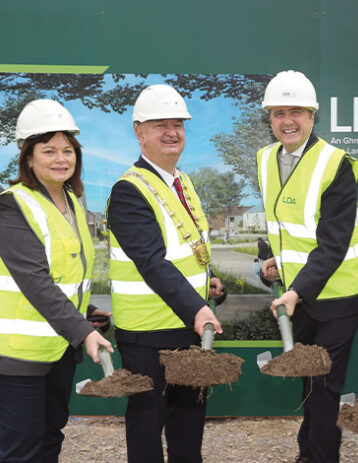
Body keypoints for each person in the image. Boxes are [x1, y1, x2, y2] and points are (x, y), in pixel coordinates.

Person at [0, 99, 114, 462]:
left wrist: (88, 313)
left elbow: (65, 276)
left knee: (50, 437)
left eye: (68, 150)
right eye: (49, 150)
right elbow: (34, 281)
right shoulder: (11, 206)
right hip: (14, 353)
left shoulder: (71, 202)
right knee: (21, 449)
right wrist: (83, 331)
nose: (60, 159)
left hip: (56, 348)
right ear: (28, 158)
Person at [256, 70, 358, 463]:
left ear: (311, 116)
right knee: (310, 380)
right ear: (269, 118)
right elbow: (285, 224)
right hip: (300, 293)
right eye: (278, 113)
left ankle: (319, 457)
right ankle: (309, 452)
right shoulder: (265, 159)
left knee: (324, 383)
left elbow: (333, 243)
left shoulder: (335, 164)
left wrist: (295, 291)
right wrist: (276, 260)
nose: (287, 121)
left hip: (340, 293)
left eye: (296, 112)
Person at [107, 84, 224, 463]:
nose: (172, 132)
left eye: (178, 124)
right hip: (148, 335)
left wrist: (207, 281)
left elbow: (188, 246)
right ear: (139, 133)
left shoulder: (181, 181)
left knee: (188, 425)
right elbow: (151, 261)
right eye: (161, 125)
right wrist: (198, 309)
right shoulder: (129, 191)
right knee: (146, 427)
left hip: (187, 328)